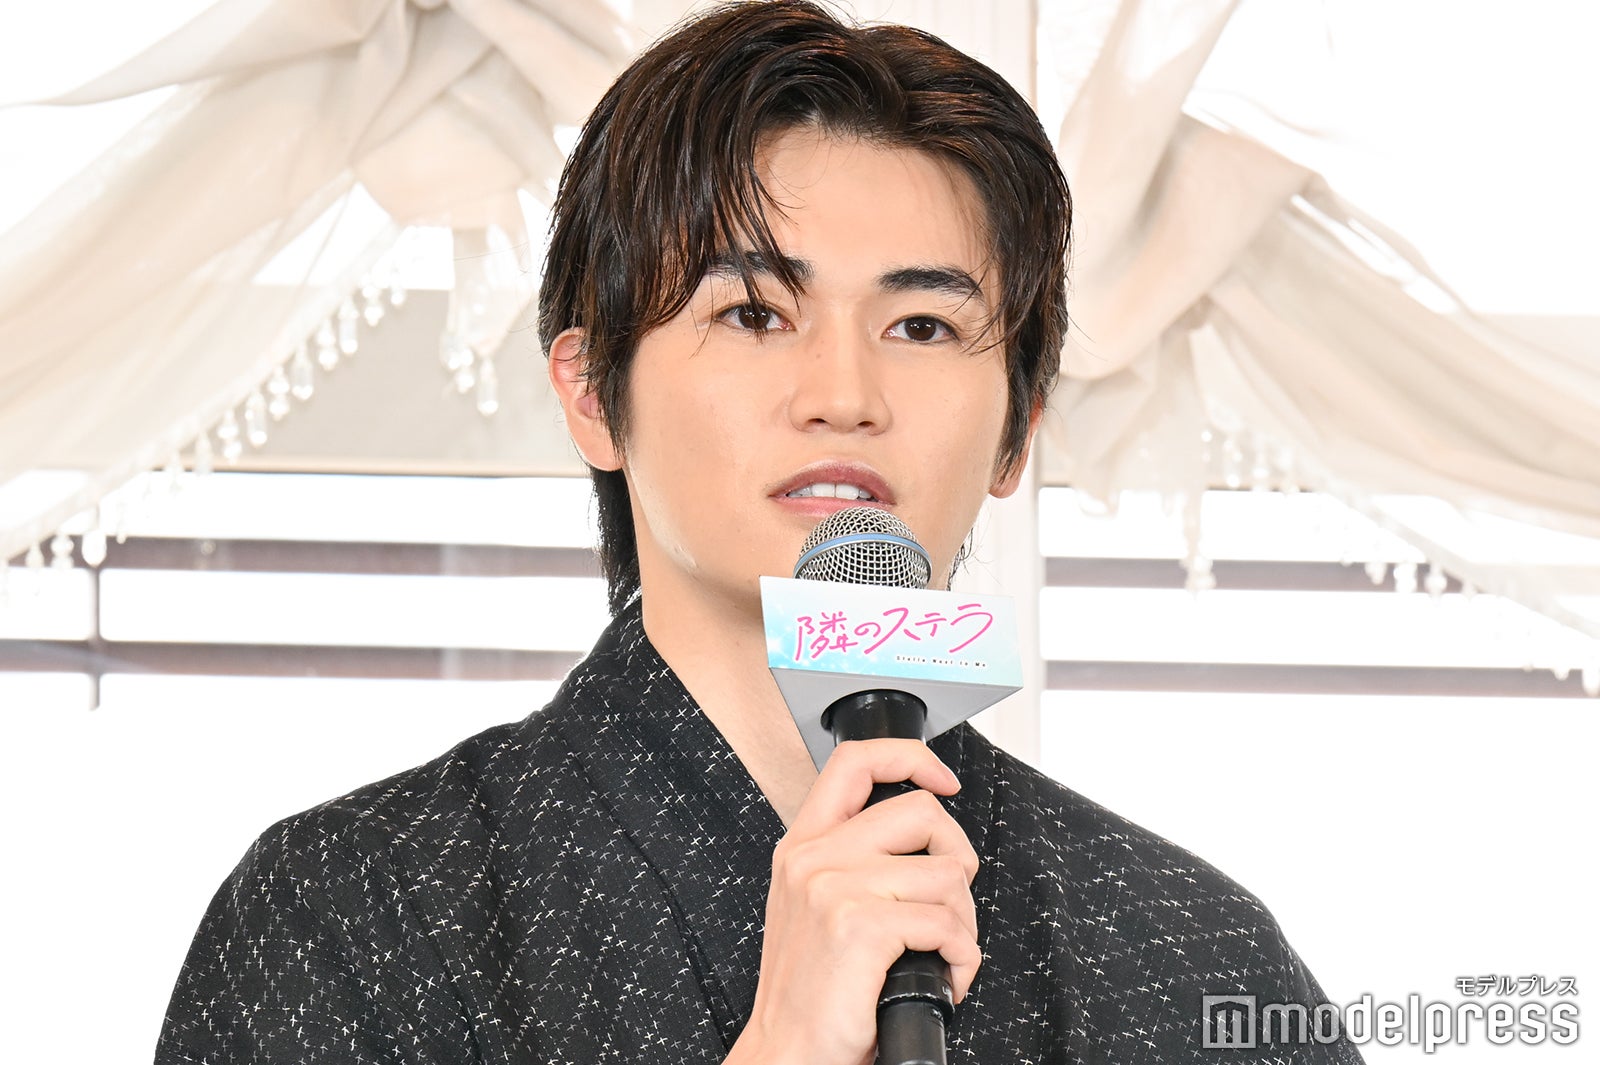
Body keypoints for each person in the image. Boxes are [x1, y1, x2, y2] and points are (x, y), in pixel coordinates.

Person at [156, 2, 1361, 1062]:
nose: (843, 394)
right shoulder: (350, 913)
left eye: (922, 327)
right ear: (592, 393)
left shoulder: (1193, 952)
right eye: (752, 313)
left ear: (1016, 434)